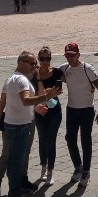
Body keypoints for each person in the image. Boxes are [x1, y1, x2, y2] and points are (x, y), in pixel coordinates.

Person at [0, 52, 60, 197]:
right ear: (21, 62)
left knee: (15, 159)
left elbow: (6, 104)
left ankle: (17, 188)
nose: (35, 67)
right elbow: (25, 100)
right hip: (19, 126)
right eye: (32, 63)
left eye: (36, 64)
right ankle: (14, 195)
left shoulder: (11, 78)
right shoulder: (21, 80)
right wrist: (46, 97)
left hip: (11, 124)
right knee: (15, 160)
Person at [60, 42, 98, 187]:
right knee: (70, 138)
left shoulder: (88, 69)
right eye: (67, 56)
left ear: (78, 55)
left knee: (86, 140)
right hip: (71, 109)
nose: (69, 59)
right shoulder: (64, 68)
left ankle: (86, 171)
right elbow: (47, 73)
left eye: (72, 56)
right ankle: (78, 167)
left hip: (86, 109)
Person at [33, 46, 64, 185]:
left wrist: (90, 86)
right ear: (38, 59)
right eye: (43, 59)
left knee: (51, 141)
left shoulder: (57, 72)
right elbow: (39, 96)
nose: (46, 61)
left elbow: (73, 80)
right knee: (42, 140)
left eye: (48, 58)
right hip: (39, 110)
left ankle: (50, 171)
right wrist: (39, 79)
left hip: (54, 111)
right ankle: (43, 168)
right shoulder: (34, 75)